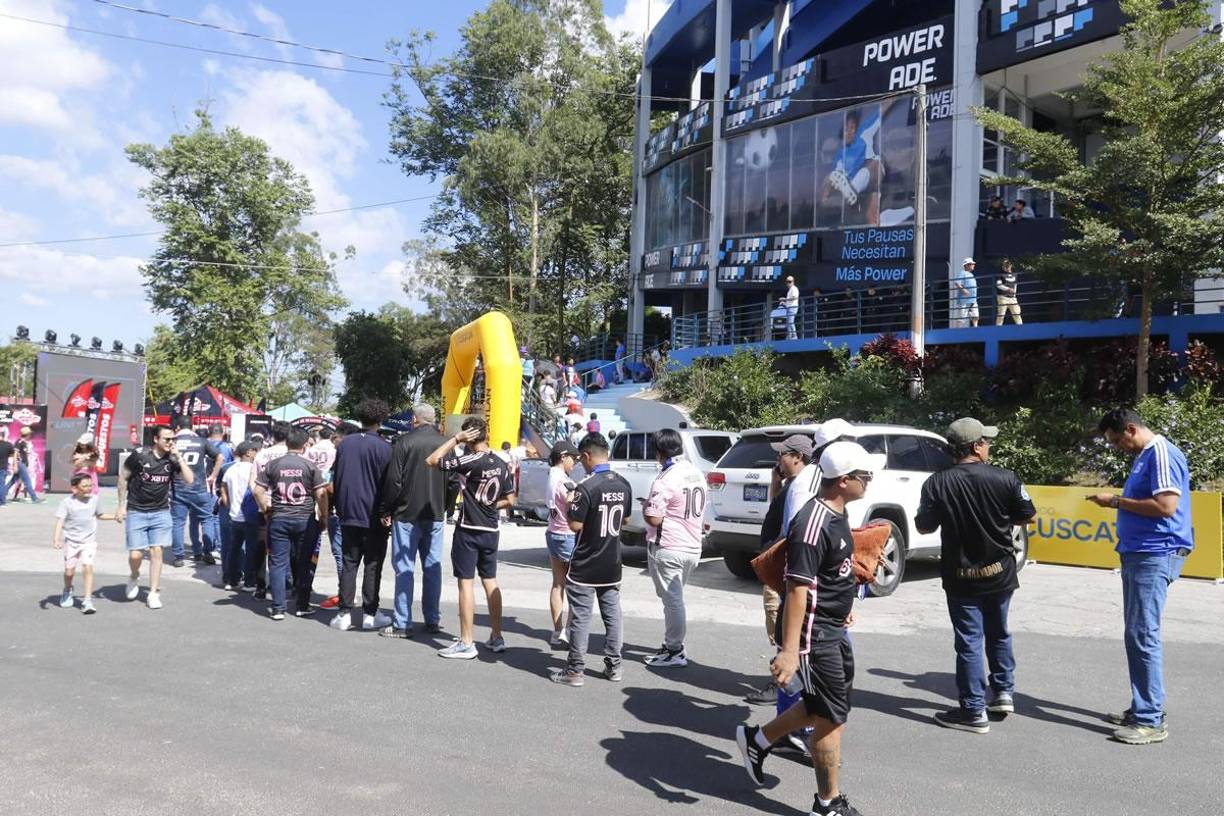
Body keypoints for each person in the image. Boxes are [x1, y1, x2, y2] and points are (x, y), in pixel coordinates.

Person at [735, 441, 882, 816]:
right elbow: (797, 588)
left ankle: (759, 738)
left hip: (831, 626)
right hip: (814, 637)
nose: (870, 481)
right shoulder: (813, 522)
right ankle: (827, 804)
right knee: (832, 720)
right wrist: (788, 651)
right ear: (844, 480)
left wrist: (845, 602)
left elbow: (827, 576)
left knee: (821, 706)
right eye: (865, 476)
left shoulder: (836, 513)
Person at [914, 418, 1036, 734]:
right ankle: (1003, 692)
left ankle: (973, 710)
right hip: (1000, 573)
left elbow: (924, 526)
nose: (989, 445)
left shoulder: (936, 483)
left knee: (969, 641)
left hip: (960, 575)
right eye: (986, 440)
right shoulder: (1005, 478)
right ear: (976, 446)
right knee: (999, 632)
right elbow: (1029, 516)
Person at [1089, 409, 1194, 745]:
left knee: (1142, 634)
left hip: (1155, 553)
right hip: (1142, 552)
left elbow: (1166, 507)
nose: (1119, 446)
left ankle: (1150, 719)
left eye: (1119, 440)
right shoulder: (1148, 455)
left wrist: (1116, 501)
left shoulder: (1161, 453)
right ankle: (1143, 708)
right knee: (1138, 633)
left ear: (1132, 429)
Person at [427, 417, 517, 658]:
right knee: (490, 581)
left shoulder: (470, 459)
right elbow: (510, 500)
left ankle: (467, 641)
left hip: (469, 528)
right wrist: (489, 505)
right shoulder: (501, 463)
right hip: (491, 529)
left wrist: (455, 438)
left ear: (469, 437)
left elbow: (432, 460)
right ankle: (497, 636)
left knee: (465, 583)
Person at [551, 433, 632, 687]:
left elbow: (575, 525)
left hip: (586, 562)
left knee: (581, 616)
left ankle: (575, 670)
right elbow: (626, 520)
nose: (580, 464)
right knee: (612, 614)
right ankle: (614, 666)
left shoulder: (587, 486)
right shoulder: (623, 483)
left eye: (581, 459)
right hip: (612, 561)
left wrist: (571, 503)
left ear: (587, 456)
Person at [379, 404, 448, 638]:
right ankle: (432, 619)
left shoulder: (403, 442)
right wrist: (444, 506)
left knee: (404, 568)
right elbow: (454, 482)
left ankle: (402, 622)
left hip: (406, 513)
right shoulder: (444, 443)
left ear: (414, 420)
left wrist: (387, 508)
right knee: (433, 567)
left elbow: (394, 481)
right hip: (435, 513)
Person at [641, 428, 704, 668]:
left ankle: (674, 649)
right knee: (675, 598)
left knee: (672, 601)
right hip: (692, 545)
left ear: (659, 452)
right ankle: (673, 646)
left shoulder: (665, 478)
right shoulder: (695, 472)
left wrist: (647, 506)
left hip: (668, 546)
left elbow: (654, 518)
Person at [329, 400, 393, 632]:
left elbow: (336, 477)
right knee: (373, 564)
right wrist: (387, 511)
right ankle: (369, 613)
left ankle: (345, 612)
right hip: (375, 514)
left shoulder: (345, 445)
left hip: (349, 512)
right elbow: (389, 485)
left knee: (349, 563)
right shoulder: (385, 447)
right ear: (380, 420)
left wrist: (337, 505)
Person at [254, 427, 328, 621]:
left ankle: (278, 607)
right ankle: (302, 605)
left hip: (279, 518)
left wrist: (265, 509)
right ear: (305, 445)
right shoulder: (310, 466)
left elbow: (257, 491)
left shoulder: (272, 465)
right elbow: (321, 494)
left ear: (287, 442)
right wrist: (324, 516)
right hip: (305, 519)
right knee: (304, 562)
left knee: (278, 563)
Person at [116, 425, 193, 609]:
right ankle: (134, 576)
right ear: (156, 440)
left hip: (161, 511)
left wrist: (179, 457)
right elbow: (123, 478)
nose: (170, 442)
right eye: (167, 439)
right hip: (137, 510)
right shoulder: (140, 455)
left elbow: (189, 480)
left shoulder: (172, 459)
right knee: (136, 555)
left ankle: (153, 592)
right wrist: (120, 506)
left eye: (173, 439)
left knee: (156, 551)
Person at [54, 472, 113, 613]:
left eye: (90, 485)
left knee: (88, 567)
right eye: (84, 486)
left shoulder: (95, 500)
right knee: (69, 572)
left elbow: (100, 515)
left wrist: (116, 516)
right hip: (71, 541)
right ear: (74, 489)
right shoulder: (67, 503)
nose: (88, 489)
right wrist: (56, 539)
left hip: (89, 542)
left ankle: (87, 601)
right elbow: (60, 521)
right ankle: (68, 590)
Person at [168, 416, 223, 567]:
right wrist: (213, 476)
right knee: (207, 519)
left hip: (178, 487)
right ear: (191, 426)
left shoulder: (172, 443)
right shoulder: (201, 441)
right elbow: (220, 457)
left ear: (178, 427)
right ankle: (207, 552)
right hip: (199, 487)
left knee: (178, 522)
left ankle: (178, 556)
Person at [544, 439, 580, 646]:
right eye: (573, 458)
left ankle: (557, 631)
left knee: (558, 584)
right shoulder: (564, 482)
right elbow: (570, 503)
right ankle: (569, 631)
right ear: (563, 457)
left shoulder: (551, 476)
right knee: (575, 585)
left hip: (553, 532)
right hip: (567, 534)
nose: (574, 463)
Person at [219, 441, 259, 591]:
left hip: (234, 515)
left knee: (233, 548)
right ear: (248, 452)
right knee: (251, 549)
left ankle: (231, 579)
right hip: (250, 515)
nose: (256, 454)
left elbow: (223, 487)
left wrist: (228, 503)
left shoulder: (231, 469)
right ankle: (249, 581)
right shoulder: (253, 469)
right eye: (255, 451)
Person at [12, 425, 44, 503]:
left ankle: (5, 495)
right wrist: (15, 464)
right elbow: (15, 453)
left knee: (15, 480)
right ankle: (34, 498)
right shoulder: (20, 442)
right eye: (30, 434)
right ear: (27, 434)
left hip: (27, 463)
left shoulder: (26, 442)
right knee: (26, 480)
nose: (31, 435)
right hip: (22, 463)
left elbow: (28, 452)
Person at [950, 258, 979, 328]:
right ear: (967, 265)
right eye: (972, 264)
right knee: (962, 317)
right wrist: (964, 290)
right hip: (964, 300)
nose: (973, 265)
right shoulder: (962, 273)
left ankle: (976, 329)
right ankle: (957, 330)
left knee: (975, 315)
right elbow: (957, 283)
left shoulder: (971, 275)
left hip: (972, 299)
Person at [995, 260, 1022, 325]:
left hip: (1012, 298)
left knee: (1017, 314)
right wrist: (1008, 289)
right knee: (1001, 315)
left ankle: (1022, 330)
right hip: (1003, 297)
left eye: (1008, 265)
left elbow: (1015, 285)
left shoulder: (1015, 275)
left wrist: (1014, 295)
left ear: (1011, 266)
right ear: (1003, 266)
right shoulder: (1000, 275)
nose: (1007, 267)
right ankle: (997, 331)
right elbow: (998, 285)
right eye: (1005, 265)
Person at [780, 275, 800, 340]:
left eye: (790, 281)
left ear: (793, 282)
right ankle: (790, 336)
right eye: (787, 281)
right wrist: (784, 303)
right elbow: (789, 301)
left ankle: (794, 336)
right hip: (790, 307)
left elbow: (794, 298)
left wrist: (785, 299)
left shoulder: (794, 288)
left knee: (790, 322)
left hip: (793, 307)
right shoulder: (790, 290)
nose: (788, 283)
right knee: (789, 322)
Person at [0, 427, 14, 507]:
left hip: (3, 468)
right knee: (1, 484)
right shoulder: (8, 445)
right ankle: (2, 502)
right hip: (2, 468)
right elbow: (12, 455)